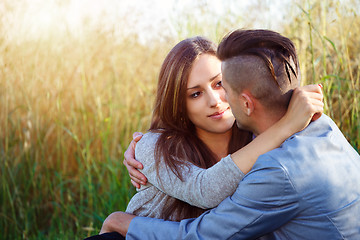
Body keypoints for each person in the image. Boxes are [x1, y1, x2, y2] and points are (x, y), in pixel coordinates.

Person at [99, 29, 360, 239]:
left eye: (220, 84)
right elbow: (205, 191)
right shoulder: (155, 146)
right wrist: (287, 124)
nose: (215, 100)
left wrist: (287, 123)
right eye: (196, 94)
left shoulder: (260, 144)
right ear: (180, 104)